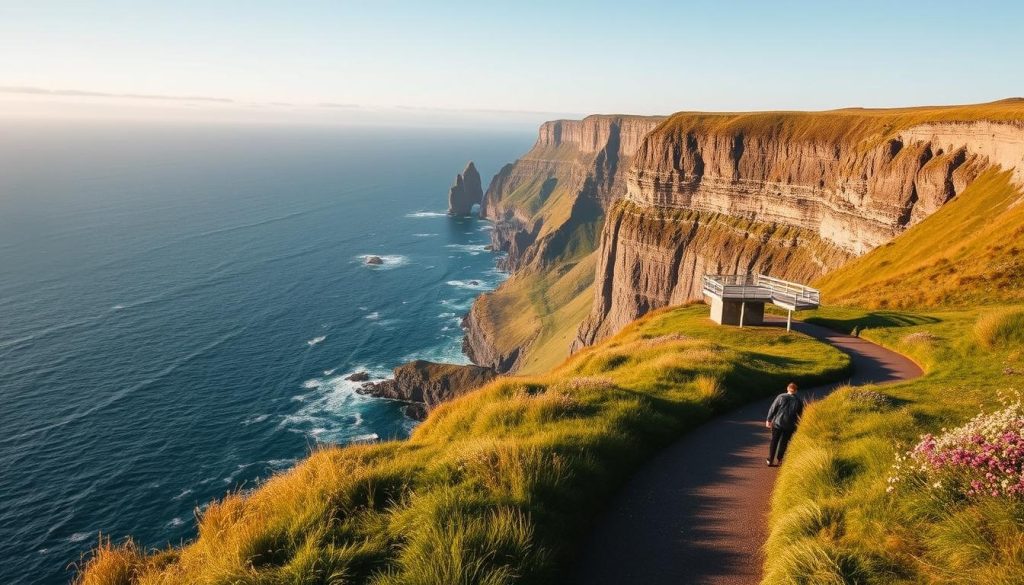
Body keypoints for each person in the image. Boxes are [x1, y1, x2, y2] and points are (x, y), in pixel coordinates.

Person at [765, 382, 804, 466]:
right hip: (790, 425)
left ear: (787, 388)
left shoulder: (781, 397)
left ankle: (770, 459)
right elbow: (800, 415)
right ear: (796, 391)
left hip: (778, 423)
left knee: (774, 441)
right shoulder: (799, 401)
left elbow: (773, 408)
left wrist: (769, 419)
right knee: (784, 442)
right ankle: (780, 459)